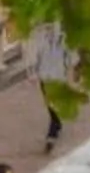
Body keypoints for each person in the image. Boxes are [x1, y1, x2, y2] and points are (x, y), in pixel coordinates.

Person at [28, 21, 73, 152]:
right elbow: (36, 55)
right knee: (48, 101)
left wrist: (68, 67)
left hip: (58, 74)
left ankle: (52, 131)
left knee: (53, 101)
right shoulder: (41, 38)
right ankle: (56, 122)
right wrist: (34, 72)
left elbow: (68, 53)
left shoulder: (62, 38)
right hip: (44, 73)